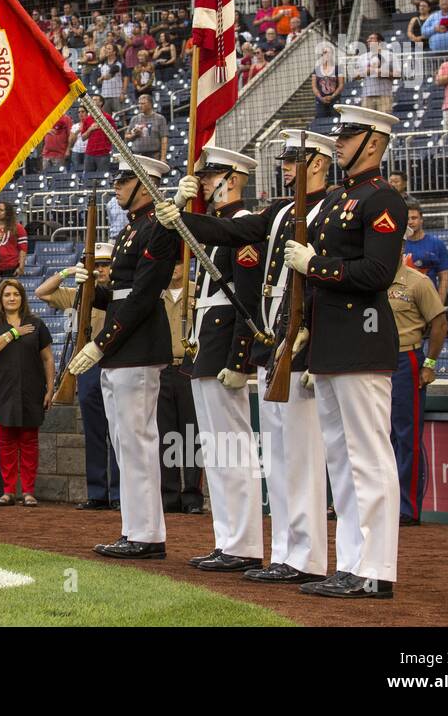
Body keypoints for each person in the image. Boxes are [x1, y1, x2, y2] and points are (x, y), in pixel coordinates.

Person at [158, 128, 339, 584]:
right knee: (279, 458)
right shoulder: (279, 212)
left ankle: (301, 556)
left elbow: (311, 283)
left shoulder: (329, 211)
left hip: (298, 347)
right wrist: (178, 216)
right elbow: (227, 229)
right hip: (274, 345)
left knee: (297, 458)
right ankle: (283, 553)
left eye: (295, 158)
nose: (285, 166)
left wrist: (300, 340)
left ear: (318, 162)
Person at [281, 105, 406, 598]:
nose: (338, 141)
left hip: (361, 337)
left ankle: (375, 567)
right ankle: (354, 562)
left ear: (373, 143)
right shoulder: (337, 199)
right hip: (331, 341)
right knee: (342, 461)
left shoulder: (383, 200)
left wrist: (316, 265)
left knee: (367, 458)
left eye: (348, 134)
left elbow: (377, 274)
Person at [67, 154, 180, 559]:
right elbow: (117, 295)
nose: (116, 186)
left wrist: (102, 342)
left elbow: (143, 297)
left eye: (124, 180)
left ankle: (148, 533)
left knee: (137, 441)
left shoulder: (158, 229)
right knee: (124, 441)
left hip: (137, 345)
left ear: (144, 183)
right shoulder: (131, 231)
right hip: (122, 349)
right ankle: (134, 529)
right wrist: (88, 290)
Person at [174, 147, 265, 573]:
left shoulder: (244, 225)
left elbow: (245, 298)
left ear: (233, 177)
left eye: (211, 177)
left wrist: (240, 358)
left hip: (225, 345)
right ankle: (228, 539)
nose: (205, 184)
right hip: (206, 344)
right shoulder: (222, 226)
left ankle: (244, 542)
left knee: (233, 450)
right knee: (216, 451)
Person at [36, 242, 121, 510]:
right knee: (94, 432)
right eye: (96, 266)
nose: (101, 270)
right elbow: (41, 291)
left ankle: (119, 494)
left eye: (105, 265)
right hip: (86, 366)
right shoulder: (77, 294)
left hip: (115, 363)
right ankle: (97, 492)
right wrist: (70, 271)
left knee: (118, 433)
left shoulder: (119, 296)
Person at [0, 279, 54, 507]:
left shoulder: (37, 324)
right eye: (7, 294)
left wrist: (50, 388)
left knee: (29, 442)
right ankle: (9, 491)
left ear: (22, 297)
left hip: (31, 390)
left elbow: (48, 358)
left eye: (16, 294)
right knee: (7, 442)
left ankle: (29, 492)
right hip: (2, 391)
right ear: (0, 299)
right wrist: (13, 333)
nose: (12, 298)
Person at [388, 238, 447, 527]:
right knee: (379, 437)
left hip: (405, 360)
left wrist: (430, 364)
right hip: (375, 363)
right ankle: (384, 502)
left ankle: (407, 508)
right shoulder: (371, 280)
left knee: (406, 435)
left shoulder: (418, 282)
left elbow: (439, 323)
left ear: (402, 251)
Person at [157, 260, 202, 514]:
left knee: (191, 435)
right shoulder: (157, 293)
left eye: (178, 262)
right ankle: (169, 495)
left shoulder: (196, 290)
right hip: (163, 366)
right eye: (171, 262)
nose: (174, 267)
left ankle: (192, 496)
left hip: (188, 366)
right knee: (166, 435)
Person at [403, 200, 448, 302]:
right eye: (407, 219)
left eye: (414, 218)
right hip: (403, 302)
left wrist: (439, 306)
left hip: (428, 300)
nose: (410, 222)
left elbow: (444, 277)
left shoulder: (437, 244)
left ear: (421, 219)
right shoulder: (398, 245)